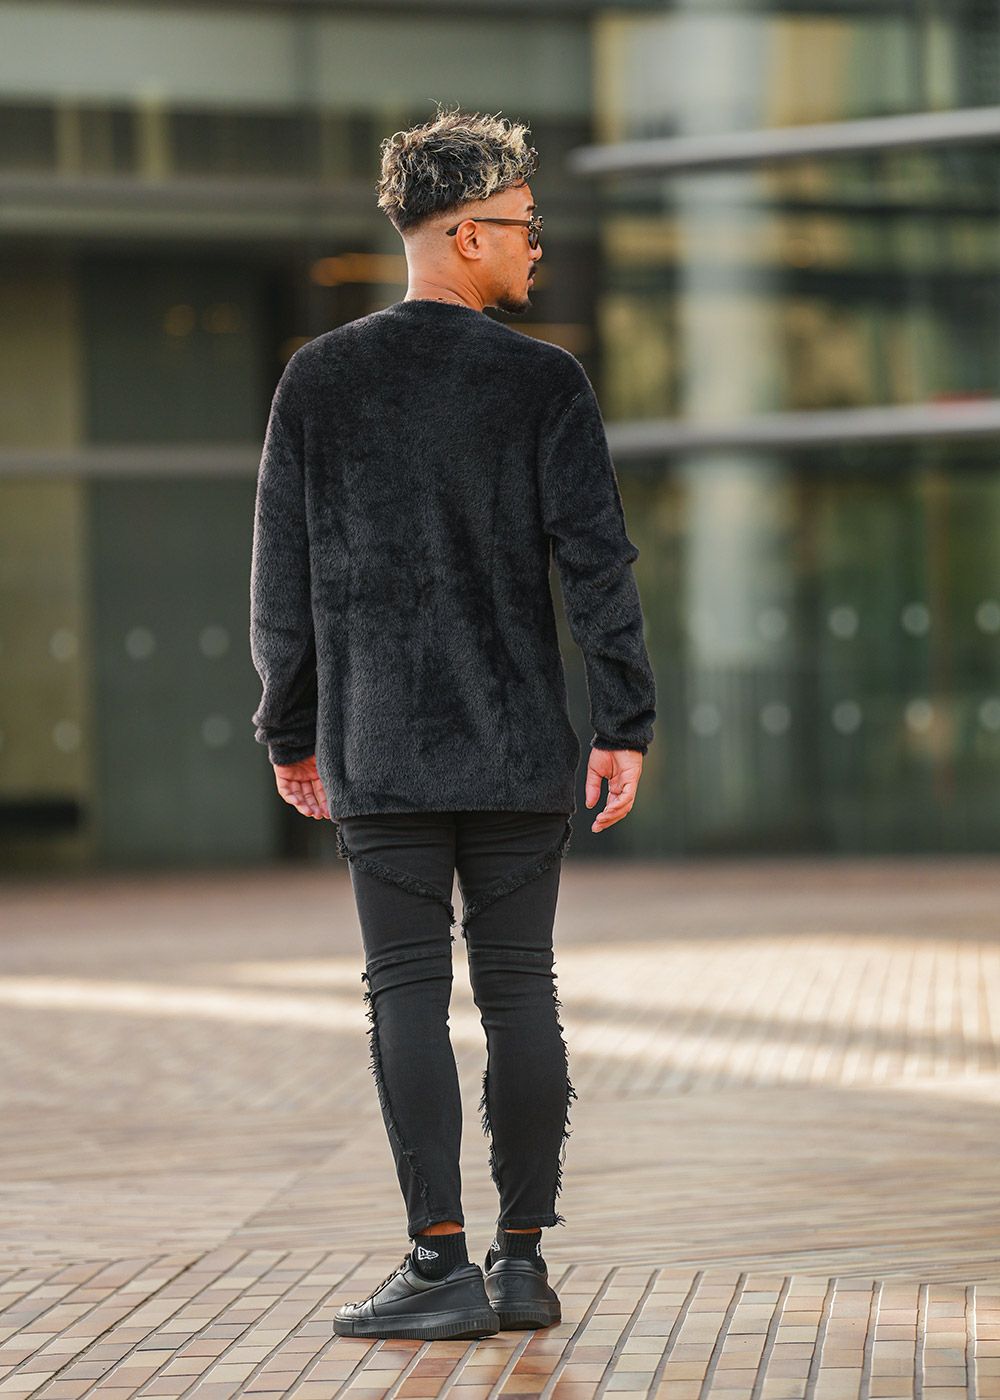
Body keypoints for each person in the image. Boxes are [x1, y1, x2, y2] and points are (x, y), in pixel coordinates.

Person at [249, 102, 656, 1342]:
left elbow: (280, 580)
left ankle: (438, 1263)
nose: (538, 246)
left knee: (406, 995)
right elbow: (597, 562)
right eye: (524, 224)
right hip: (518, 742)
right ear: (465, 232)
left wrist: (290, 728)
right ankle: (520, 1262)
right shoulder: (543, 381)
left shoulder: (320, 378)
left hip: (380, 744)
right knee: (522, 989)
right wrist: (622, 717)